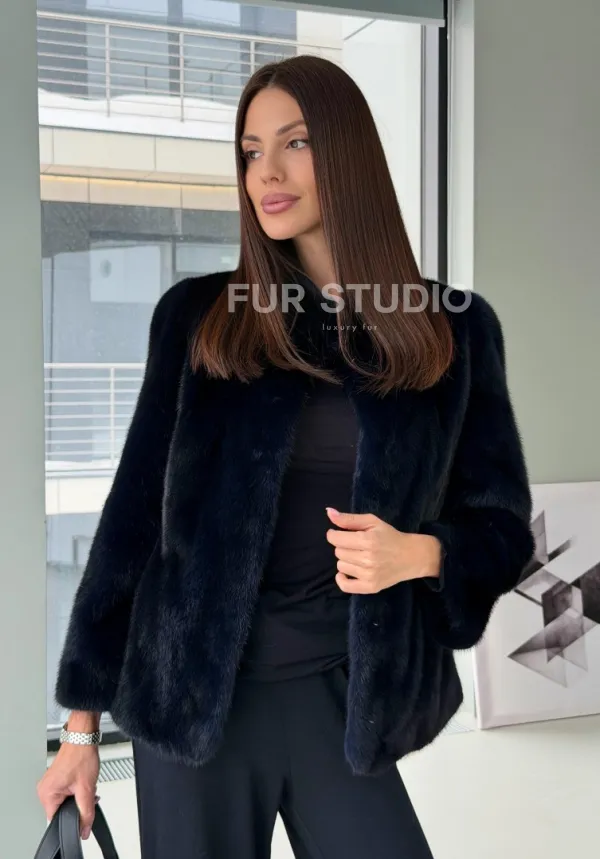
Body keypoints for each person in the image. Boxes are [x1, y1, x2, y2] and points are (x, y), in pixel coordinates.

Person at [37, 54, 534, 859]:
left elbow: (502, 528)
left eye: (295, 142)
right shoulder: (200, 317)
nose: (265, 171)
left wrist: (422, 553)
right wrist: (80, 731)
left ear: (346, 152)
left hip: (343, 701)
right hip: (194, 707)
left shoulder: (452, 329)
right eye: (250, 151)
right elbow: (131, 526)